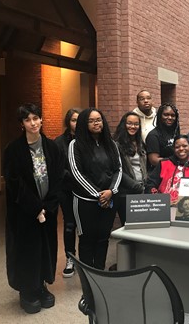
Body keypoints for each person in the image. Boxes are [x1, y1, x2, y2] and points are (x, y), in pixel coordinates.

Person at [4, 104, 64, 314]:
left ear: (41, 120)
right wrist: (35, 208)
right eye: (27, 120)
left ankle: (41, 285)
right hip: (24, 212)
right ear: (22, 124)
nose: (33, 123)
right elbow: (14, 183)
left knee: (45, 249)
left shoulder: (52, 147)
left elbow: (58, 179)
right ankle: (27, 290)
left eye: (36, 118)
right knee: (26, 250)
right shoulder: (13, 150)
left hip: (47, 210)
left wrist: (47, 208)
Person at [68, 108, 122, 270]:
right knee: (87, 240)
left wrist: (111, 191)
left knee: (103, 238)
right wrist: (99, 195)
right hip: (86, 202)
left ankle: (99, 272)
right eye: (91, 121)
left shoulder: (111, 144)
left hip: (109, 199)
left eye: (98, 120)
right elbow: (77, 173)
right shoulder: (75, 144)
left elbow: (118, 169)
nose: (96, 123)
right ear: (84, 124)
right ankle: (88, 277)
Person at [54, 108, 81, 278]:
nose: (76, 123)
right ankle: (70, 258)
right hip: (67, 190)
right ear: (68, 122)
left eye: (79, 120)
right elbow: (57, 167)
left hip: (87, 191)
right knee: (70, 225)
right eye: (73, 120)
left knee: (85, 225)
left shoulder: (89, 140)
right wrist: (74, 178)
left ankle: (84, 259)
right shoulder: (58, 142)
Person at [146, 135, 189, 205]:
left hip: (185, 210)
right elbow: (150, 185)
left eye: (185, 146)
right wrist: (161, 201)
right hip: (162, 208)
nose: (181, 149)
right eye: (177, 147)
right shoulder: (163, 164)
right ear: (174, 149)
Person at [113, 111, 146, 225]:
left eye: (136, 124)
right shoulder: (117, 145)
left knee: (141, 226)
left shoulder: (140, 142)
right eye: (129, 123)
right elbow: (117, 170)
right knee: (129, 226)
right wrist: (135, 185)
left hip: (141, 189)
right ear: (124, 124)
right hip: (126, 193)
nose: (133, 126)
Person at [146, 103, 180, 169]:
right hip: (159, 173)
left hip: (175, 171)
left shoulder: (175, 133)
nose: (170, 118)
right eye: (166, 115)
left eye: (173, 115)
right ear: (159, 116)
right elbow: (154, 160)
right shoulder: (153, 135)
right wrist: (175, 161)